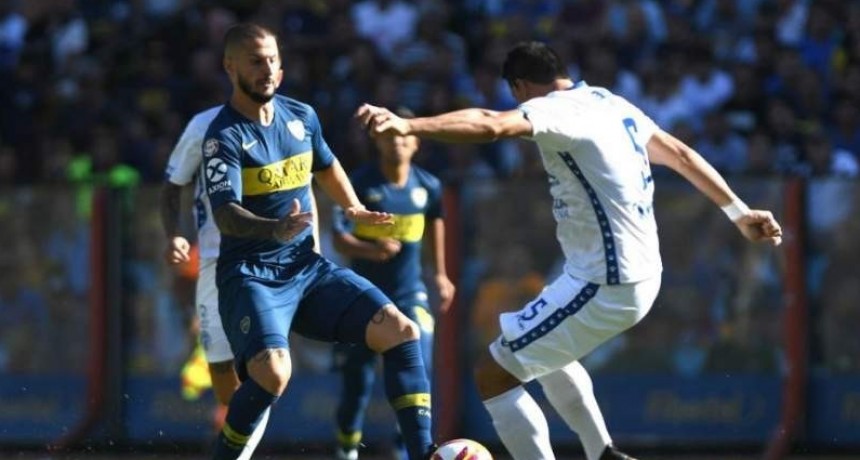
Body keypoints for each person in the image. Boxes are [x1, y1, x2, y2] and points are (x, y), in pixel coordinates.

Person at [356, 41, 783, 460]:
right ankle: (603, 453)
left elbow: (490, 124)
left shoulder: (556, 109)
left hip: (606, 282)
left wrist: (410, 125)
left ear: (520, 87)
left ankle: (599, 452)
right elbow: (682, 155)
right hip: (626, 273)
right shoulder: (610, 103)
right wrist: (738, 211)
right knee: (547, 356)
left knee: (494, 375)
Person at [202, 23, 435, 460]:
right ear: (230, 67)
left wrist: (353, 208)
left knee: (402, 331)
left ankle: (424, 454)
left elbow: (326, 166)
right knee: (274, 373)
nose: (267, 69)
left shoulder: (301, 116)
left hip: (306, 269)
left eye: (272, 59)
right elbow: (225, 214)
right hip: (251, 276)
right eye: (255, 61)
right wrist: (273, 229)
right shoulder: (223, 136)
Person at [161, 102, 312, 459]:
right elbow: (173, 184)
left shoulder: (291, 120)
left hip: (266, 262)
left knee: (264, 371)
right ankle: (233, 443)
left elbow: (309, 184)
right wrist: (173, 234)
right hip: (214, 262)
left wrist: (312, 245)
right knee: (225, 383)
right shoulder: (204, 125)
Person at [331, 107, 455, 460]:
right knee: (358, 382)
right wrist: (371, 250)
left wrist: (440, 274)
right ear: (377, 141)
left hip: (409, 294)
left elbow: (436, 222)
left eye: (403, 136)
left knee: (419, 362)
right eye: (388, 136)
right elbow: (338, 239)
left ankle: (407, 449)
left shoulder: (428, 186)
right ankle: (347, 448)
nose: (396, 142)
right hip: (362, 298)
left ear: (416, 143)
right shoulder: (359, 184)